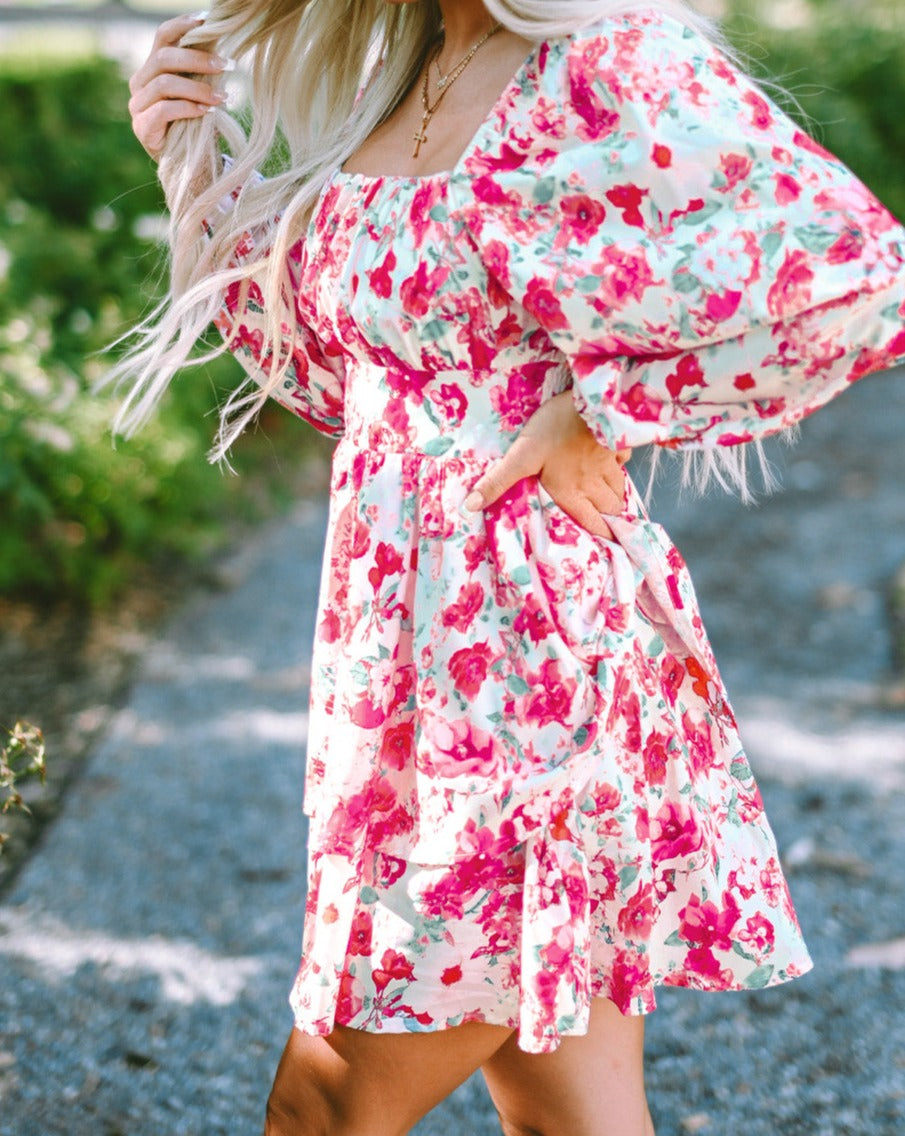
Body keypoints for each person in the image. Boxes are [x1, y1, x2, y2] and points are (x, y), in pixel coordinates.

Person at [121, 2, 905, 1133]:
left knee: (321, 1107)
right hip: (402, 675)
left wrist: (605, 412)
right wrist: (186, 162)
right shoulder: (410, 66)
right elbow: (345, 381)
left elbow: (858, 276)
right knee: (568, 1119)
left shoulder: (603, 57)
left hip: (528, 684)